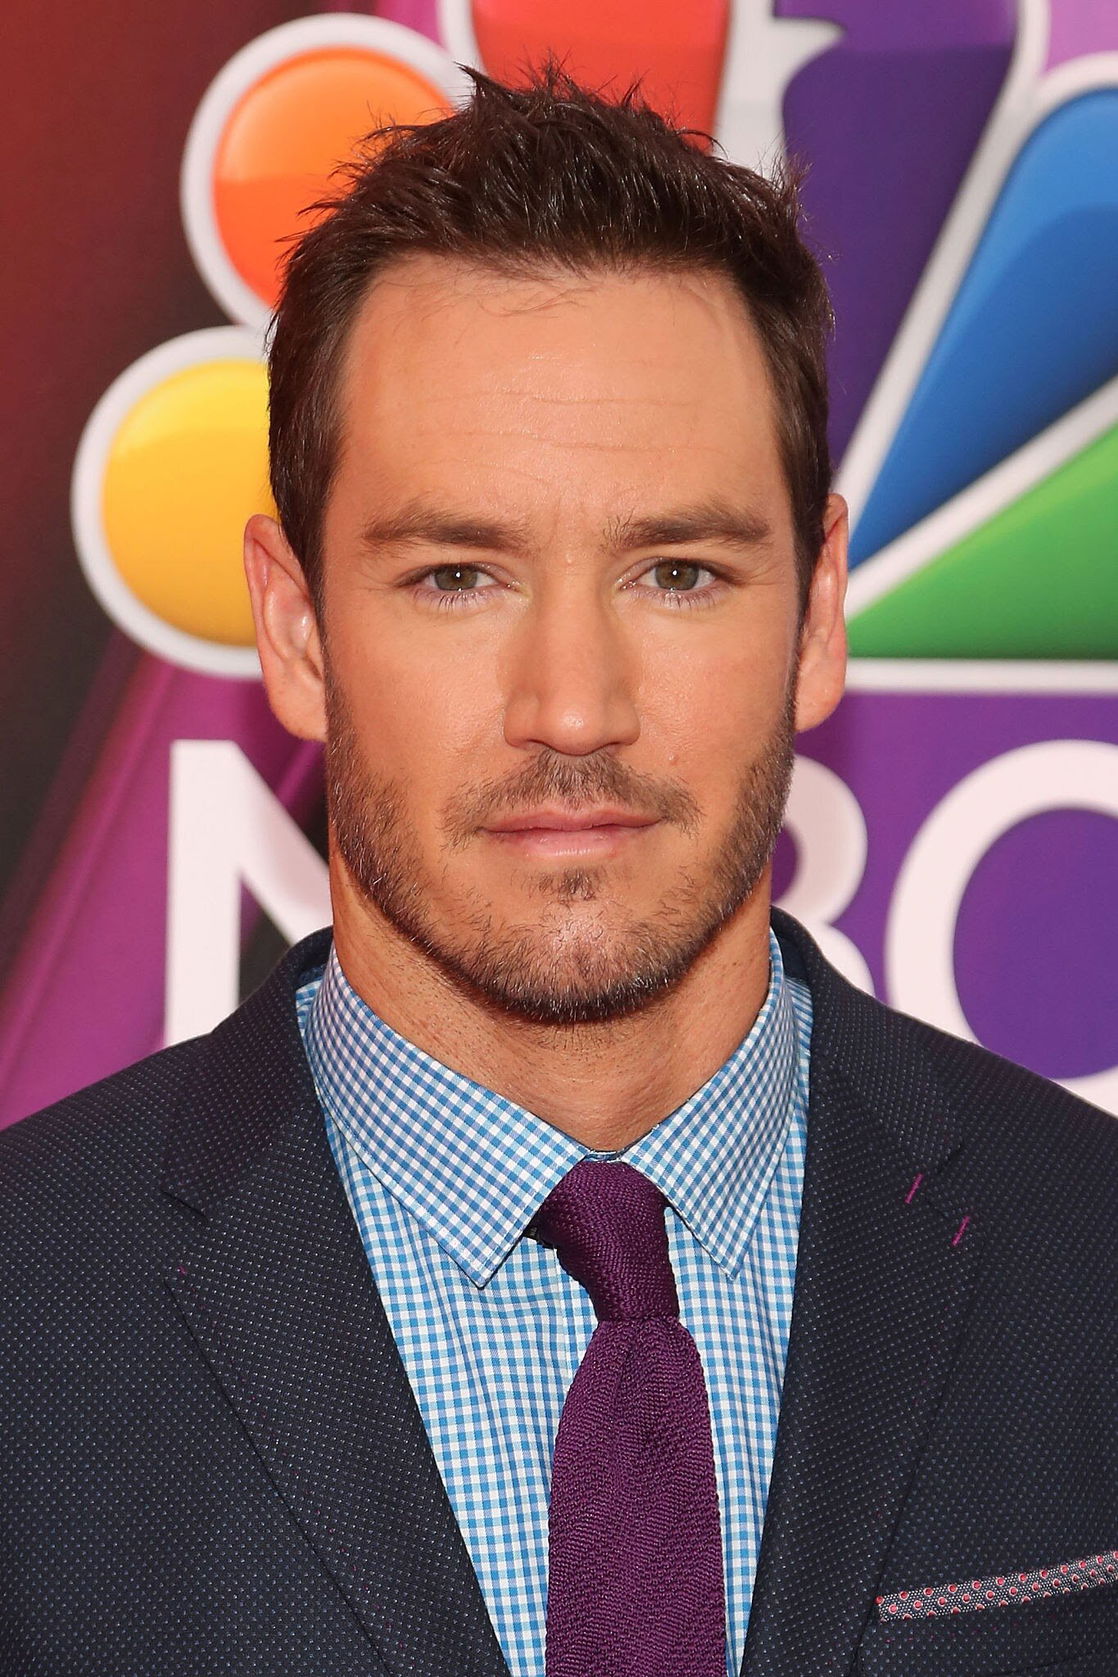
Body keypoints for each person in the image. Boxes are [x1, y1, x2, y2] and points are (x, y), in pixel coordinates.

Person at [2, 69, 1117, 1677]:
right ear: (296, 628)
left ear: (814, 614)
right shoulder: (25, 1315)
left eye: (678, 572)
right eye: (458, 574)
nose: (573, 708)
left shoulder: (1088, 1262)